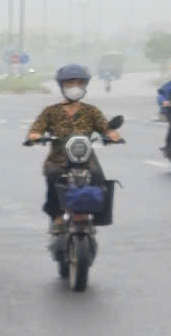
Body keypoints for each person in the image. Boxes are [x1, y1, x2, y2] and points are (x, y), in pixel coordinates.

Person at [23, 61, 123, 230]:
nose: (74, 87)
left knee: (99, 178)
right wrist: (36, 137)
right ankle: (57, 216)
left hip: (87, 159)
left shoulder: (91, 111)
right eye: (70, 83)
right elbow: (36, 130)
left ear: (85, 86)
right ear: (62, 86)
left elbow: (106, 128)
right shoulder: (50, 111)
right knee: (53, 176)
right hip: (58, 159)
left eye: (79, 83)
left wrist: (113, 136)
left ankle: (99, 215)